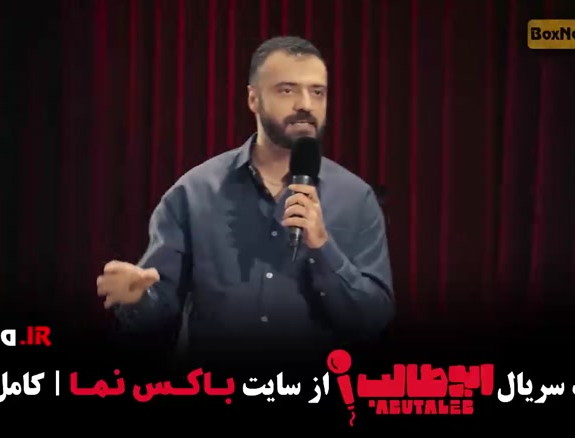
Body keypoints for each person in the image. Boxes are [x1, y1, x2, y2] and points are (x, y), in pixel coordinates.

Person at [96, 36, 394, 363]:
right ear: (253, 98)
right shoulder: (194, 192)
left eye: (317, 92)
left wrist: (323, 248)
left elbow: (373, 319)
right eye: (287, 90)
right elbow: (159, 310)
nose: (305, 104)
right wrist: (138, 299)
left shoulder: (356, 199)